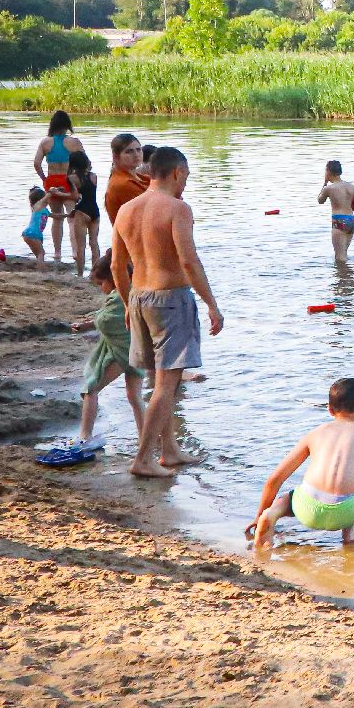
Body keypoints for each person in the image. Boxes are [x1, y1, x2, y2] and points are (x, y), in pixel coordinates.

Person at [112, 146, 224, 478]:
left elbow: (119, 265)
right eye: (186, 176)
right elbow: (188, 260)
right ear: (176, 172)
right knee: (167, 383)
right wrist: (212, 305)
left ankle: (170, 451)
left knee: (156, 379)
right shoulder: (177, 208)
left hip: (139, 297)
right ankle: (144, 458)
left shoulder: (126, 210)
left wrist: (125, 304)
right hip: (170, 299)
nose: (186, 183)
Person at [245, 378, 354, 548]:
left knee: (285, 499)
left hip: (307, 509)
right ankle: (350, 536)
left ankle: (271, 515)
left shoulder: (315, 434)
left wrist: (260, 513)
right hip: (346, 513)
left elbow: (275, 478)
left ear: (330, 410)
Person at [48, 250, 144, 455]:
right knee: (134, 396)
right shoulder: (131, 291)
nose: (101, 289)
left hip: (121, 352)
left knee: (90, 388)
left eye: (101, 284)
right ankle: (145, 437)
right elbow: (109, 318)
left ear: (112, 278)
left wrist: (94, 322)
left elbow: (109, 321)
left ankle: (85, 435)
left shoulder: (120, 297)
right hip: (137, 349)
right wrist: (88, 325)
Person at [33, 110, 83, 263]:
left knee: (57, 219)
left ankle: (57, 252)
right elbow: (84, 162)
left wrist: (44, 179)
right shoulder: (74, 142)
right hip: (68, 181)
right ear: (67, 124)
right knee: (71, 218)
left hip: (52, 181)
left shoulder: (45, 142)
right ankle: (75, 251)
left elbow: (36, 164)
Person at [316, 159, 354, 264]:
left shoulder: (329, 188)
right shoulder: (351, 187)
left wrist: (324, 183)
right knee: (344, 254)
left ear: (328, 171)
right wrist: (349, 207)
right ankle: (350, 278)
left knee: (340, 258)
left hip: (339, 221)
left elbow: (320, 200)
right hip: (351, 221)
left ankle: (342, 279)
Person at [67, 150, 102, 277]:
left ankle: (80, 274)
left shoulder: (72, 178)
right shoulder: (94, 176)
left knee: (81, 245)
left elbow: (75, 197)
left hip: (82, 211)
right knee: (94, 243)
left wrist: (58, 193)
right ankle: (96, 273)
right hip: (95, 211)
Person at [103, 132, 151, 224]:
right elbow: (152, 211)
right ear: (115, 156)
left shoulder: (143, 178)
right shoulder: (122, 184)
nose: (136, 154)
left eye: (138, 149)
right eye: (129, 151)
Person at [20, 187, 50, 261]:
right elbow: (46, 197)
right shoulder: (37, 207)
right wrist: (52, 190)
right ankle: (41, 271)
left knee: (38, 254)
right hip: (32, 233)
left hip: (33, 234)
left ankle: (40, 266)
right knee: (41, 253)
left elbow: (56, 216)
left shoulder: (45, 210)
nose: (48, 201)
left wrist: (67, 215)